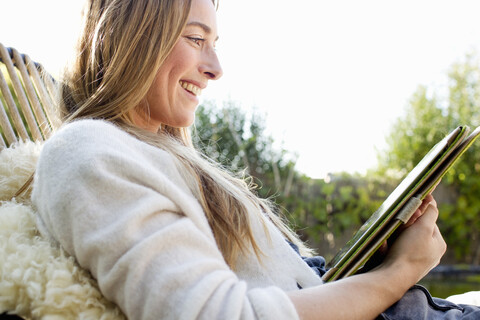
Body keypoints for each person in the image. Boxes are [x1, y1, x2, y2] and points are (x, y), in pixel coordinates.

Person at [30, 0, 480, 319]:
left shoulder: (152, 151)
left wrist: (378, 259)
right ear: (128, 39)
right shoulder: (86, 152)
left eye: (214, 41)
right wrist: (403, 271)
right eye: (195, 39)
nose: (216, 67)